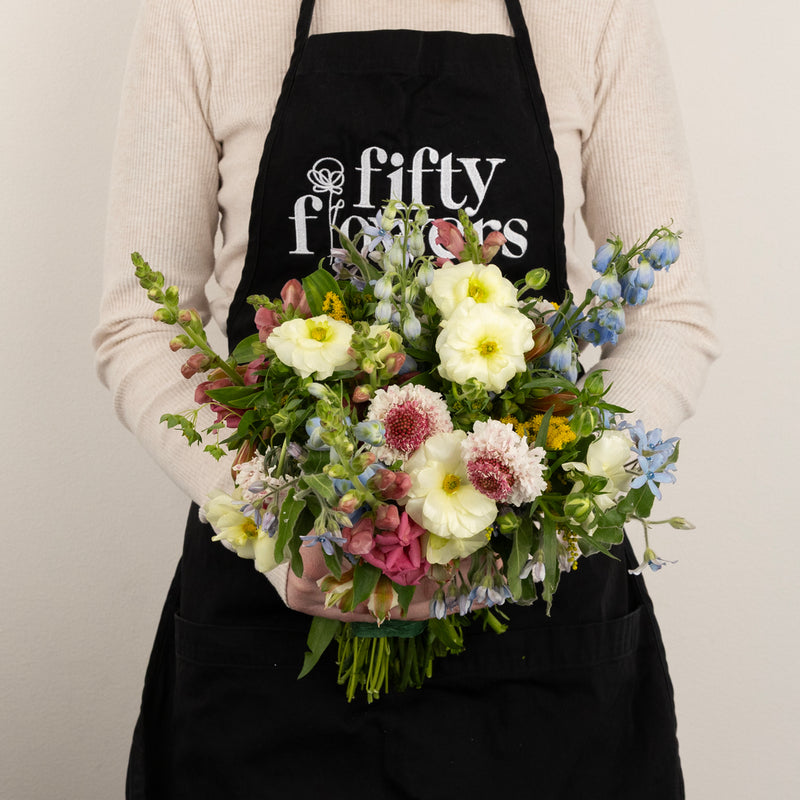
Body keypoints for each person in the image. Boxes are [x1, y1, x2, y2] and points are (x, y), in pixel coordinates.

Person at [94, 1, 718, 798]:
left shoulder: (593, 12)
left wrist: (547, 509)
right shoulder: (205, 12)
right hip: (275, 644)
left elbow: (669, 308)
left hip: (539, 649)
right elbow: (142, 321)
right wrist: (271, 520)